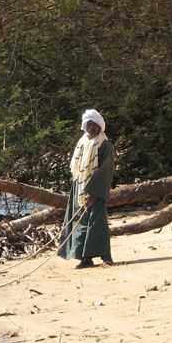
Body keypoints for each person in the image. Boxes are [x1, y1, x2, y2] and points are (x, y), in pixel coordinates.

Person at [58, 109, 115, 268]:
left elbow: (106, 171)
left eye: (94, 124)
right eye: (88, 124)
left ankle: (106, 256)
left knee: (97, 222)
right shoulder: (82, 143)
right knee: (80, 222)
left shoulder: (105, 145)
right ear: (85, 125)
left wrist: (94, 193)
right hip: (79, 188)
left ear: (100, 126)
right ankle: (85, 259)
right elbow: (77, 168)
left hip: (96, 189)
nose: (91, 127)